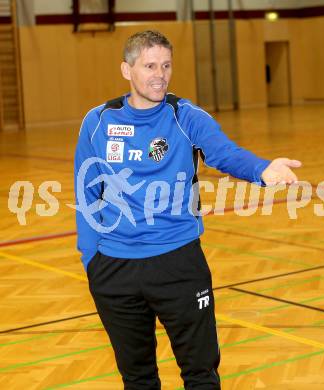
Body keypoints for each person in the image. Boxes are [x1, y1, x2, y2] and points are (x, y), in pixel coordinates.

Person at [74, 30, 301, 390]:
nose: (159, 74)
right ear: (126, 69)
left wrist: (261, 169)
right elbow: (87, 191)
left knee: (200, 375)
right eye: (149, 65)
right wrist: (91, 258)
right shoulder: (98, 121)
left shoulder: (186, 116)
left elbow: (224, 152)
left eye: (166, 65)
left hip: (178, 262)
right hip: (114, 268)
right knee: (137, 379)